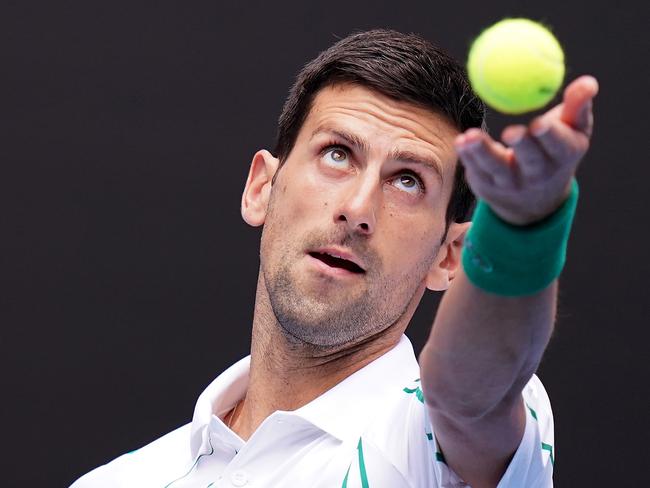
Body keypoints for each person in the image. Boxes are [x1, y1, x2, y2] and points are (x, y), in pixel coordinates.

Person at [71, 29, 598, 487]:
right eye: (337, 154)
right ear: (262, 187)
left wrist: (521, 231)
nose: (357, 209)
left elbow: (472, 397)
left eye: (408, 181)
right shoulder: (115, 482)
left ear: (450, 254)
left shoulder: (429, 439)